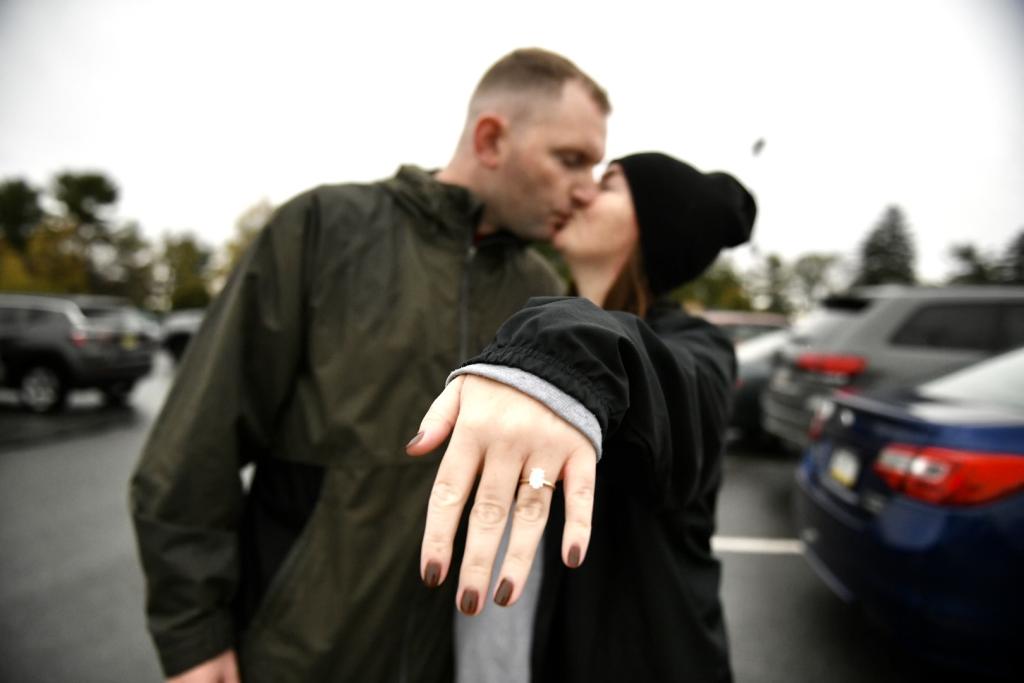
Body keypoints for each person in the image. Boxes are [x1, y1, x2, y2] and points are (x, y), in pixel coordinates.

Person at [129, 48, 610, 683]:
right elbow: (195, 445)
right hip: (297, 655)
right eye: (571, 159)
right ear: (492, 139)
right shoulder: (324, 229)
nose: (585, 190)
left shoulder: (540, 294)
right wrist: (194, 636)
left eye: (596, 169)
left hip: (449, 662)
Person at [408, 152, 755, 682]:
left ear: (652, 228)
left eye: (609, 185)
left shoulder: (696, 351)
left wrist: (559, 360)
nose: (581, 192)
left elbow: (671, 391)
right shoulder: (528, 317)